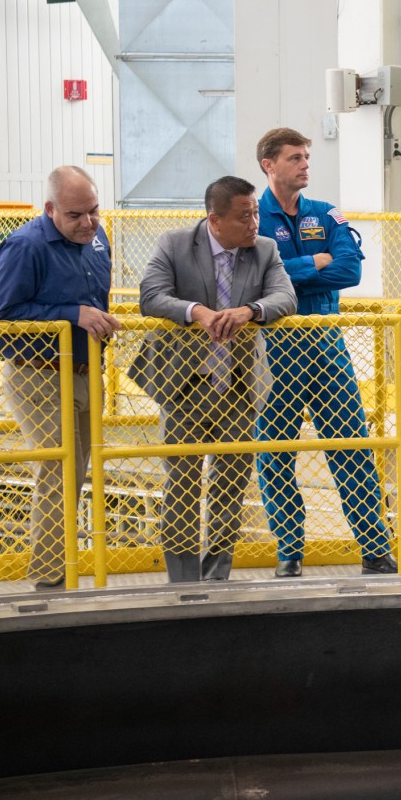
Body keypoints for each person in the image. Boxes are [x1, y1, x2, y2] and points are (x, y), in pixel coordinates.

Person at [133, 176, 296, 583]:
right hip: (185, 385)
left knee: (230, 485)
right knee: (182, 485)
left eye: (256, 213)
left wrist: (251, 311)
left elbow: (286, 296)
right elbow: (150, 295)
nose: (255, 222)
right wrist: (196, 312)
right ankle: (184, 579)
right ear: (215, 220)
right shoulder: (174, 244)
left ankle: (217, 575)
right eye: (245, 216)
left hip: (239, 387)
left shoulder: (265, 250)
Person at [253, 128, 398, 577]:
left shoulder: (325, 213)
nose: (304, 164)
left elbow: (349, 270)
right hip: (273, 349)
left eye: (306, 156)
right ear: (268, 165)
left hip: (326, 345)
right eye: (295, 157)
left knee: (351, 445)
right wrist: (312, 263)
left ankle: (374, 548)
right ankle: (289, 551)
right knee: (274, 451)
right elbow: (255, 277)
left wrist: (288, 271)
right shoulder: (252, 217)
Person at [0, 166, 121, 589]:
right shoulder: (25, 247)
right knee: (58, 471)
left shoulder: (98, 238)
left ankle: (70, 563)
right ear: (49, 209)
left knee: (80, 470)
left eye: (94, 211)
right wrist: (71, 315)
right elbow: (1, 317)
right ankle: (50, 573)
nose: (88, 223)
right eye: (76, 215)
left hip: (87, 373)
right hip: (38, 376)